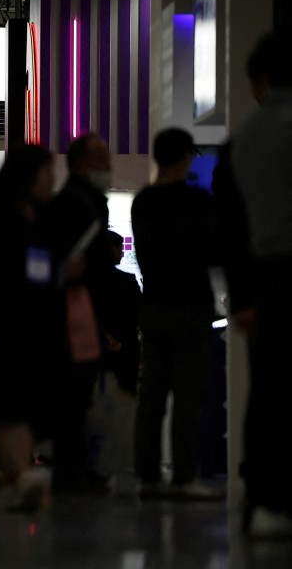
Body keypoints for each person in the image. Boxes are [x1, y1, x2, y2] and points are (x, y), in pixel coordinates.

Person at [0, 143, 60, 512]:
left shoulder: (42, 216)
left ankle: (15, 477)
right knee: (8, 403)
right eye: (47, 173)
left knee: (22, 403)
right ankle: (19, 475)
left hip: (33, 324)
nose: (52, 181)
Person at [130, 127, 222, 500]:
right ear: (185, 157)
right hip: (193, 308)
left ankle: (147, 475)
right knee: (188, 396)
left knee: (151, 394)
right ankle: (183, 476)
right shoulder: (199, 201)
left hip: (154, 306)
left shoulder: (142, 202)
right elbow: (214, 252)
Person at [228, 30, 292, 535]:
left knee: (268, 390)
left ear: (260, 80)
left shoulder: (244, 138)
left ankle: (264, 498)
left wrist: (242, 295)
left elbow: (229, 228)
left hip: (268, 278)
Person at [45, 133, 114, 494]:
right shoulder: (79, 205)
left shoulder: (73, 202)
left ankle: (74, 467)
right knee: (74, 393)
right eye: (103, 161)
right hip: (76, 313)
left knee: (75, 394)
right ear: (82, 164)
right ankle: (71, 470)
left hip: (78, 309)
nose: (109, 169)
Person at [88, 230, 142, 494]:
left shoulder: (87, 284)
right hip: (126, 354)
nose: (121, 252)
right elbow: (136, 316)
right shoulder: (128, 282)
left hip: (97, 352)